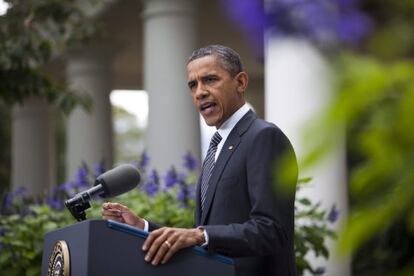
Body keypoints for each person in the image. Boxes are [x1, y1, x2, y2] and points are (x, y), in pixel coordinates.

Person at [102, 45, 297, 275]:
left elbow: (271, 230)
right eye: (193, 85)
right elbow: (205, 237)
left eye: (210, 80)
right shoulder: (218, 147)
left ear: (241, 82)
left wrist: (200, 235)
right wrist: (143, 228)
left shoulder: (264, 137)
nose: (200, 92)